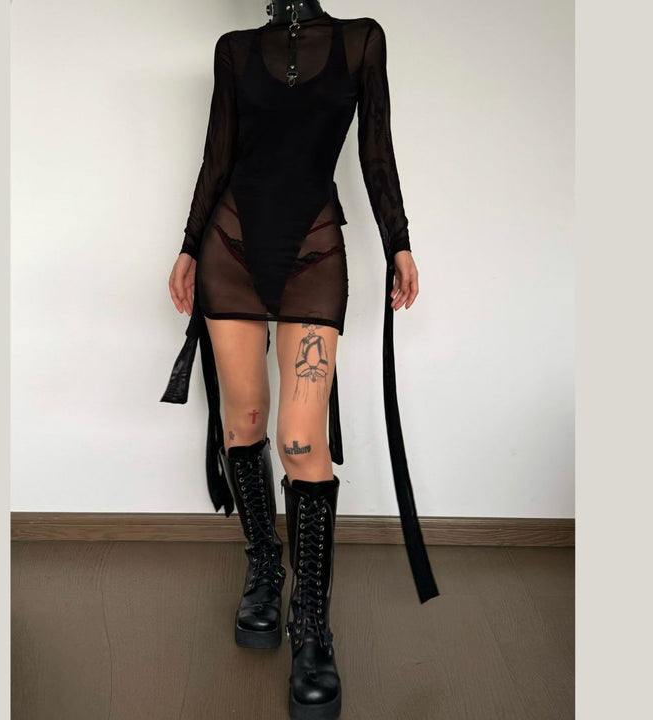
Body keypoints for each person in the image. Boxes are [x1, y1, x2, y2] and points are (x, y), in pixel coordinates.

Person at [162, 2, 439, 718]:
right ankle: (264, 565)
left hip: (314, 251)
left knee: (301, 440)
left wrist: (399, 240)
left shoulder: (360, 41)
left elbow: (375, 149)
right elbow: (216, 154)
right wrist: (189, 246)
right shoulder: (233, 50)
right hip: (229, 247)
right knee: (245, 420)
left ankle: (311, 625)